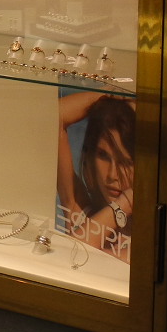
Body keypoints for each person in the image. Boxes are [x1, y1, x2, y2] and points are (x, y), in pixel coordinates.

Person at [57, 90, 134, 262]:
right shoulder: (79, 210)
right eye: (103, 155)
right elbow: (52, 117)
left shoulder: (149, 238)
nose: (112, 175)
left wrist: (125, 204)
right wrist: (107, 96)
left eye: (126, 162)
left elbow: (78, 254)